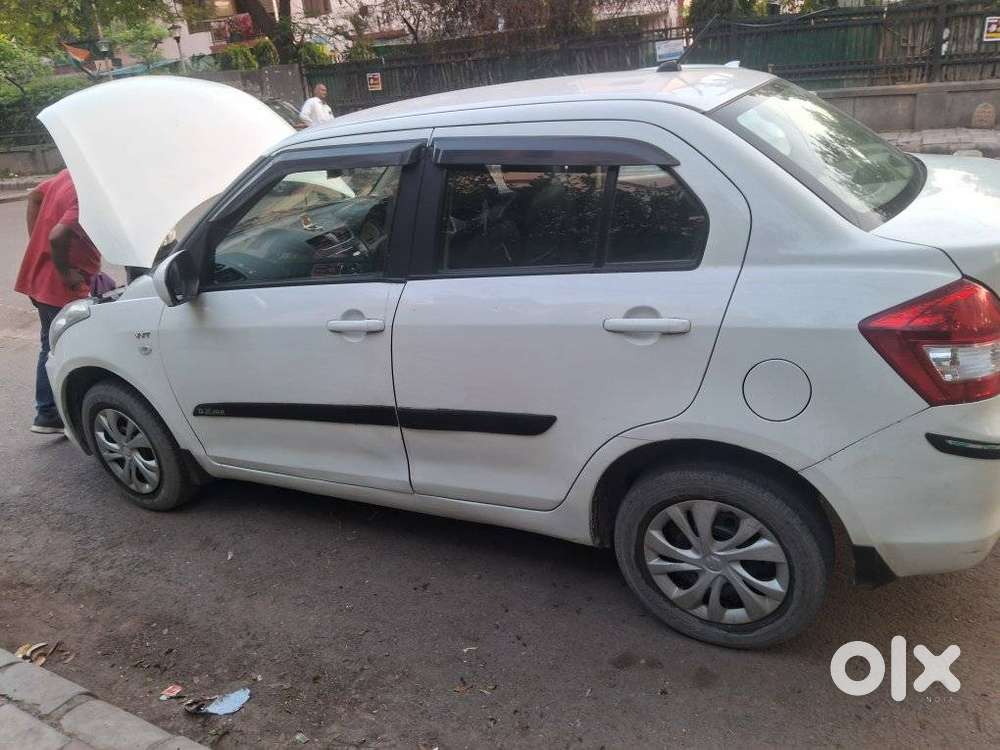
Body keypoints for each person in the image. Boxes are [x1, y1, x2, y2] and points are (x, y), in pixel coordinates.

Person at [14, 169, 101, 434]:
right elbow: (57, 236)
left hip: (42, 278)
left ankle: (48, 413)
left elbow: (34, 197)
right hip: (62, 285)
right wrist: (67, 272)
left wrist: (36, 245)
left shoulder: (68, 174)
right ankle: (61, 413)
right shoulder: (87, 190)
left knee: (49, 344)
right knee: (79, 346)